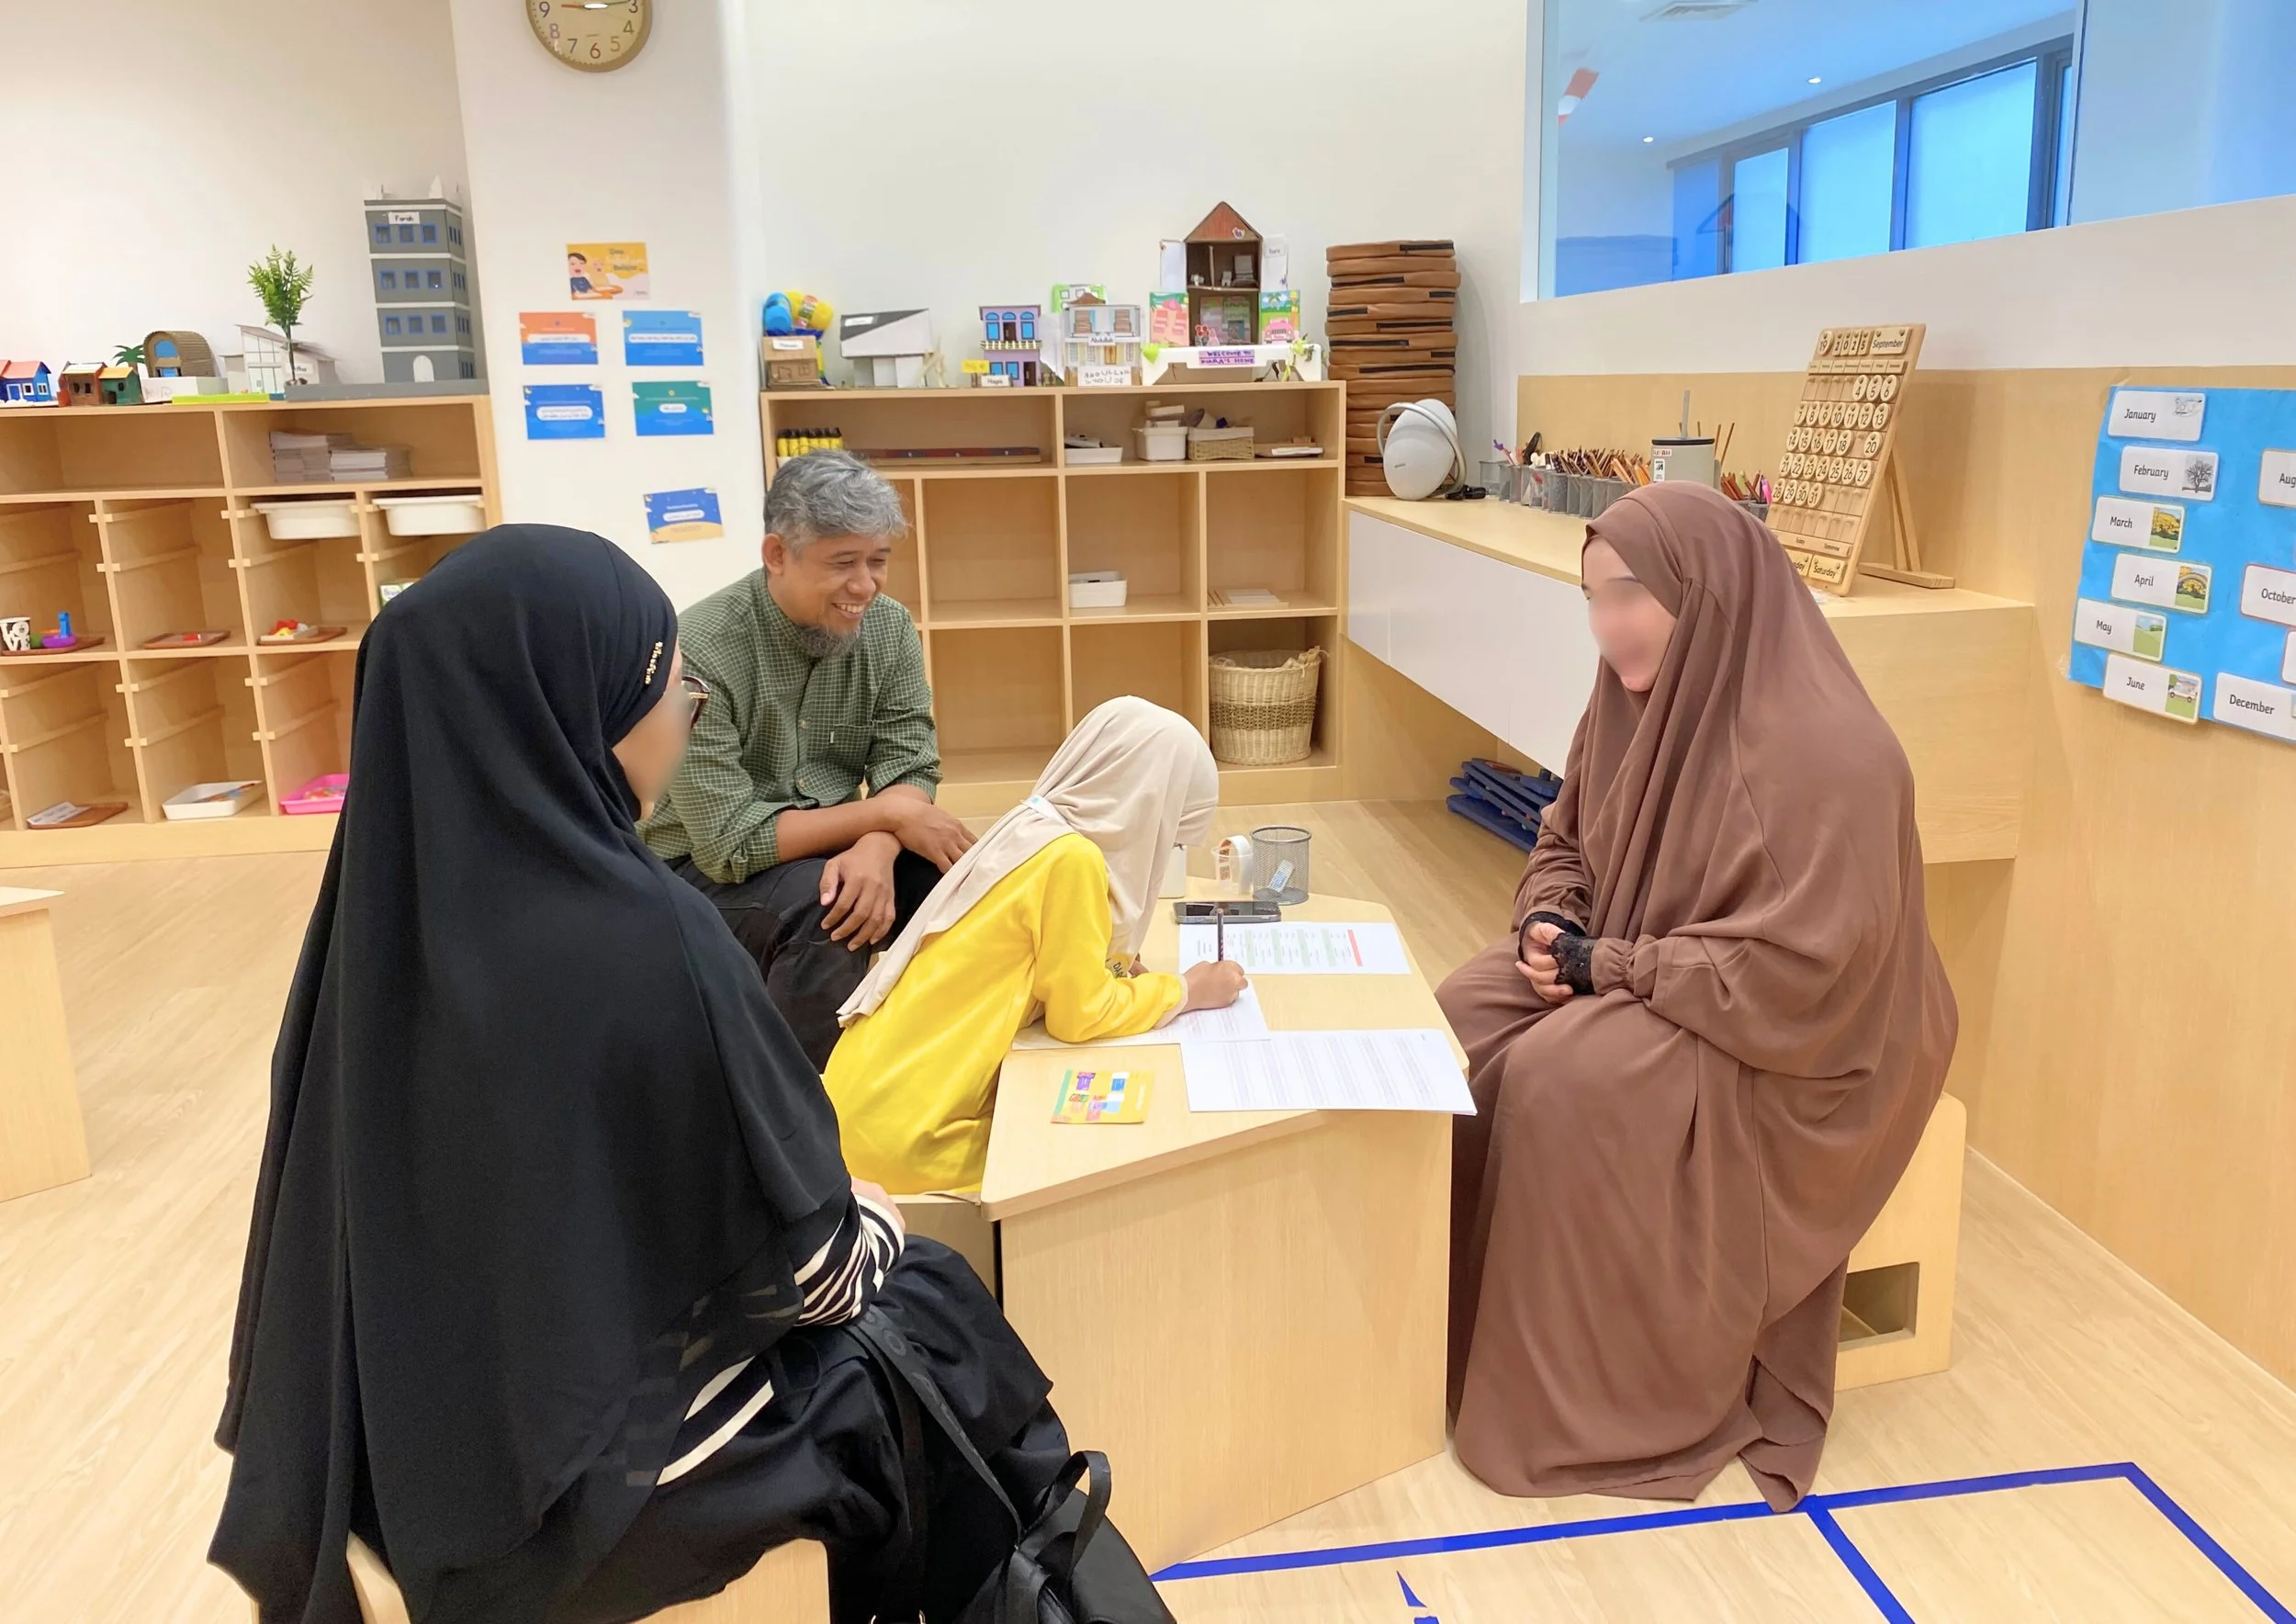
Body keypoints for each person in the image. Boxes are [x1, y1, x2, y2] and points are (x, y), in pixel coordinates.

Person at [209, 527, 1067, 1624]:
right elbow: (822, 1277)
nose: (678, 718)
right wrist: (878, 1217)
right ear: (581, 713)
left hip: (385, 1481)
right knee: (930, 1312)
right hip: (561, 1519)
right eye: (666, 691)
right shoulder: (645, 940)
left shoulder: (364, 941)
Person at [1435, 482, 1956, 1511]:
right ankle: (1451, 1334)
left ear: (1706, 591)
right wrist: (1550, 920)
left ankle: (1579, 1403)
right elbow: (1564, 833)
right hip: (1648, 967)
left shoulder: (1838, 757)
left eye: (1629, 595)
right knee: (1458, 1016)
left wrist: (1608, 967)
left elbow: (1802, 977)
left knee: (1554, 1079)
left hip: (1793, 1042)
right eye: (1590, 598)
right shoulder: (1629, 702)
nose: (1607, 625)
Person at [825, 698, 1247, 1193]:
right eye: (1169, 834)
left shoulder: (1034, 828)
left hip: (853, 1112)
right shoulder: (1074, 862)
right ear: (1146, 806)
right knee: (1106, 1154)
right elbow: (1080, 1015)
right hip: (910, 1138)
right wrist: (1187, 990)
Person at [642, 451, 975, 1070]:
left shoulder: (889, 629)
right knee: (831, 909)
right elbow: (728, 843)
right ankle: (803, 1121)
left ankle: (937, 1079)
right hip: (694, 867)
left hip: (829, 839)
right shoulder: (705, 649)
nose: (866, 585)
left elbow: (910, 758)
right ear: (776, 555)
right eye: (843, 563)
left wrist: (879, 840)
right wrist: (885, 819)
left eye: (878, 561)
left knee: (958, 880)